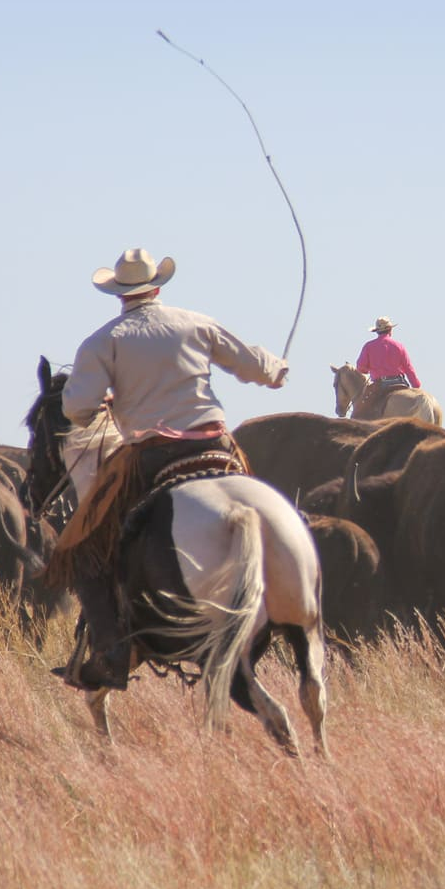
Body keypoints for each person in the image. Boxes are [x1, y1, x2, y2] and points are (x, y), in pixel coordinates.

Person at [53, 247, 289, 691]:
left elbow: (78, 408)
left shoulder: (103, 340)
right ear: (158, 287)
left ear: (118, 294)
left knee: (83, 546)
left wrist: (102, 404)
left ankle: (112, 652)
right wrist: (275, 369)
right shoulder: (195, 322)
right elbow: (254, 365)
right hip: (217, 443)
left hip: (151, 454)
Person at [353, 316, 420, 418]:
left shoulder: (369, 346)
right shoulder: (399, 346)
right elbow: (408, 368)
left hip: (380, 385)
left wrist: (369, 369)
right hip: (400, 383)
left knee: (361, 413)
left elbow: (361, 367)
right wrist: (416, 385)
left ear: (376, 331)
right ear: (390, 330)